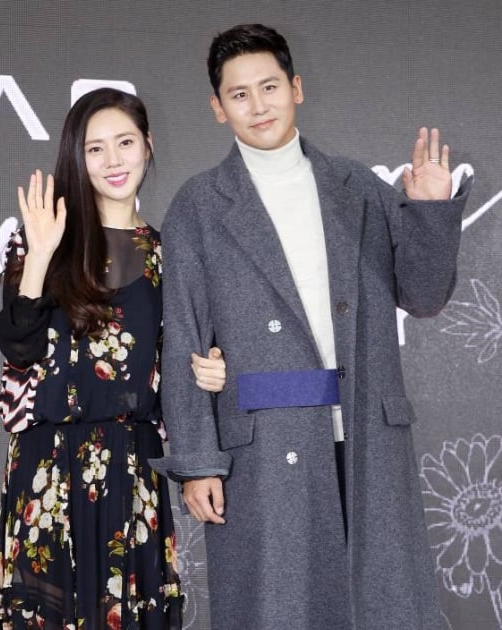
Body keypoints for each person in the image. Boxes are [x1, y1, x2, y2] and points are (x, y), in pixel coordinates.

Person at [150, 24, 472, 630]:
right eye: (239, 94)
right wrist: (196, 461)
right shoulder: (200, 205)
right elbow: (183, 338)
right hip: (263, 447)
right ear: (218, 108)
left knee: (380, 608)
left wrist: (430, 211)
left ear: (296, 88)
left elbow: (425, 298)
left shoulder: (357, 188)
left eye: (269, 86)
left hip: (367, 435)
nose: (258, 104)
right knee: (280, 610)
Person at [0, 88, 226, 629]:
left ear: (148, 145)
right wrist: (40, 256)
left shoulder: (169, 256)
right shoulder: (40, 241)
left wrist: (214, 370)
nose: (113, 160)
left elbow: (180, 368)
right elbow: (18, 346)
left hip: (131, 467)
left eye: (125, 142)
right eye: (95, 148)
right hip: (47, 468)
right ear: (77, 156)